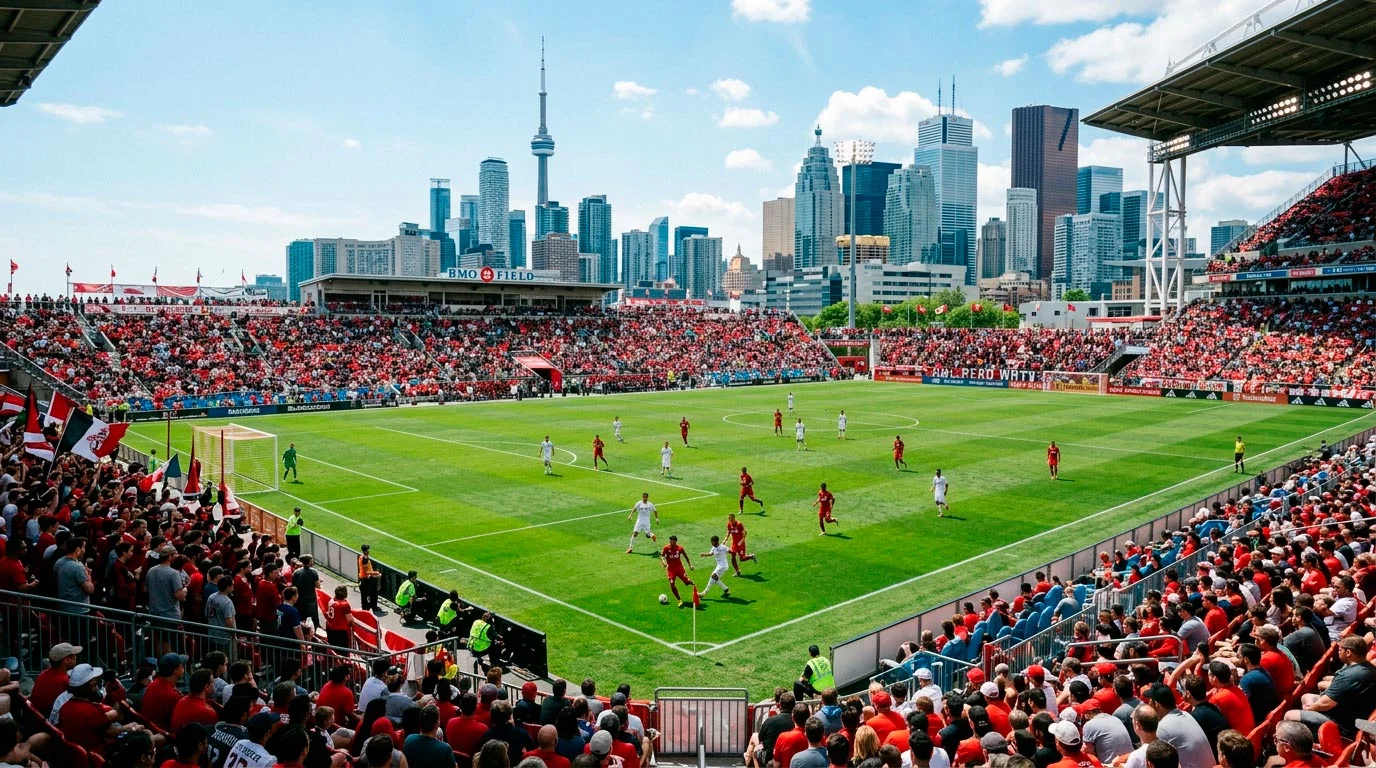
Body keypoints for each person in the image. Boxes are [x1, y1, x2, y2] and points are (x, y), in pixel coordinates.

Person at [1286, 634, 1376, 739]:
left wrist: (1309, 710)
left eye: (1340, 650)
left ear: (1348, 652)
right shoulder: (1370, 669)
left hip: (1344, 725)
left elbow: (1326, 704)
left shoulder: (1350, 675)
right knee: (1306, 697)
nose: (1338, 652)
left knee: (1290, 715)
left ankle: (1304, 744)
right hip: (1354, 715)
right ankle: (1312, 732)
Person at [660, 535, 696, 608]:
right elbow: (662, 556)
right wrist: (663, 562)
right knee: (672, 583)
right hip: (671, 570)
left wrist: (690, 565)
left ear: (675, 541)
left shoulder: (680, 548)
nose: (671, 543)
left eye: (672, 542)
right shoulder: (666, 548)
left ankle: (694, 586)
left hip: (679, 569)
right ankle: (679, 600)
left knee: (686, 583)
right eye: (670, 541)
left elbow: (686, 556)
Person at [699, 536, 732, 600]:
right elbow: (710, 554)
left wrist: (735, 551)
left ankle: (704, 593)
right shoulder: (713, 548)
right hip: (719, 566)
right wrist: (703, 554)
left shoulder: (723, 547)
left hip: (723, 566)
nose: (711, 543)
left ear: (716, 541)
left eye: (712, 541)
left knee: (713, 576)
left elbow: (731, 551)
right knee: (715, 579)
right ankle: (726, 589)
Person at [358, 544, 383, 615]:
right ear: (365, 551)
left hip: (366, 577)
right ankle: (369, 607)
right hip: (366, 578)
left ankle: (368, 607)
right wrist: (375, 573)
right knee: (370, 593)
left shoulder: (363, 557)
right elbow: (366, 571)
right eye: (367, 550)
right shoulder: (364, 559)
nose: (369, 551)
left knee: (369, 593)